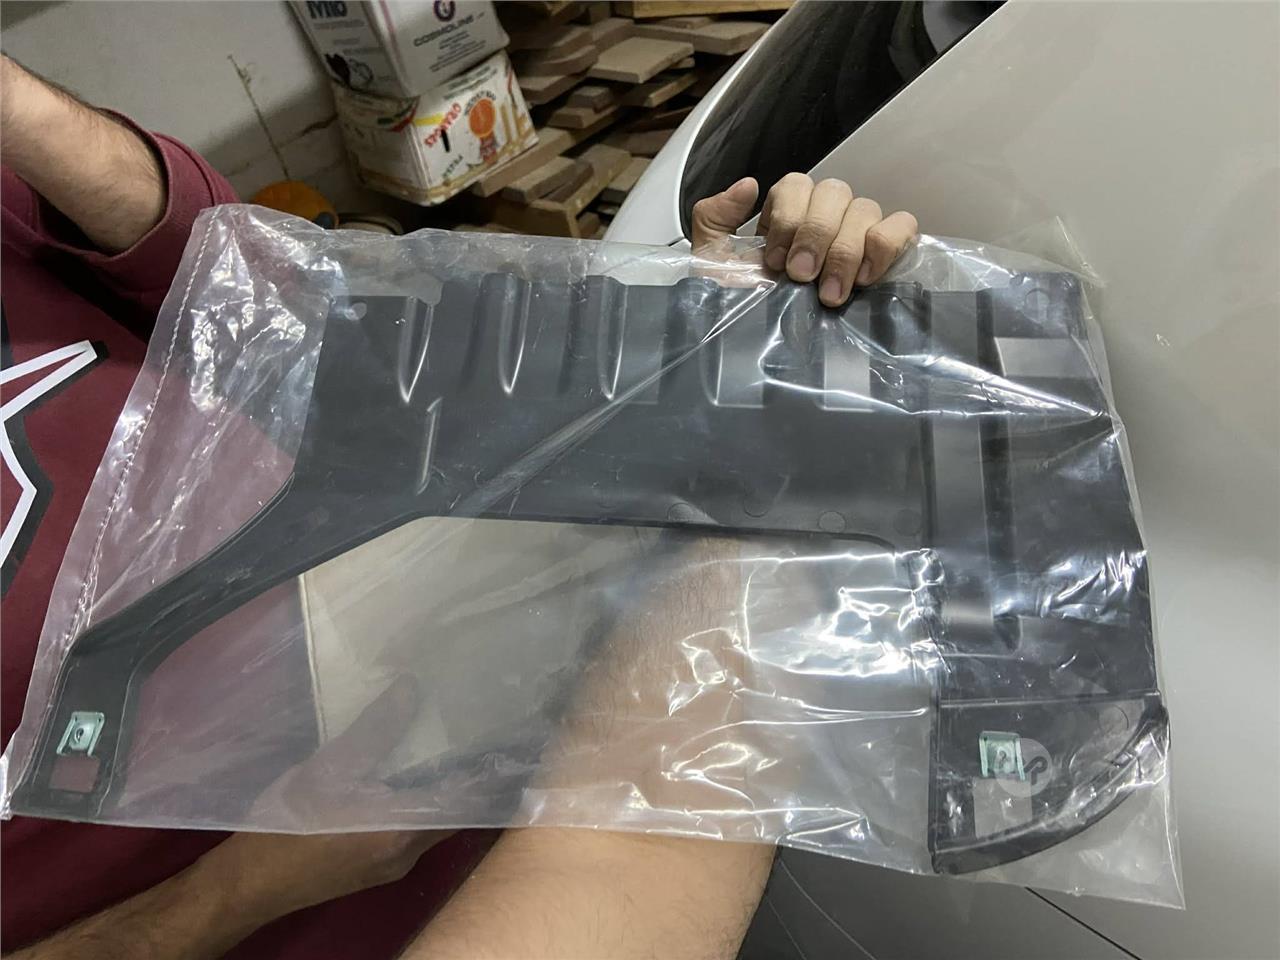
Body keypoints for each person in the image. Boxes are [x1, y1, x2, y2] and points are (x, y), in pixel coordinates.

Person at [1, 53, 917, 960]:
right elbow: (626, 864)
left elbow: (237, 284)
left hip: (495, 652)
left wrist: (693, 358)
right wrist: (229, 893)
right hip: (353, 895)